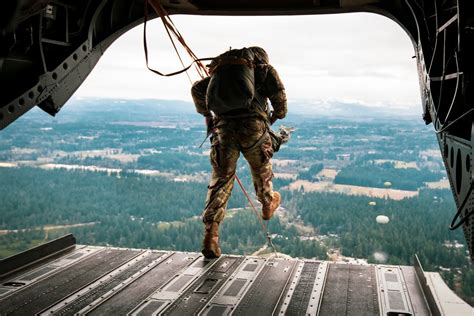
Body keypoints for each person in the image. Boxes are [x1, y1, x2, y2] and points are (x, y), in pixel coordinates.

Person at [191, 46, 287, 259]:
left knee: (221, 181)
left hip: (224, 132)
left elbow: (197, 90)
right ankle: (267, 203)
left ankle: (211, 236)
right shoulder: (264, 71)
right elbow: (281, 107)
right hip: (254, 129)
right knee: (261, 171)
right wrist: (270, 118)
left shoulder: (220, 77)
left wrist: (209, 114)